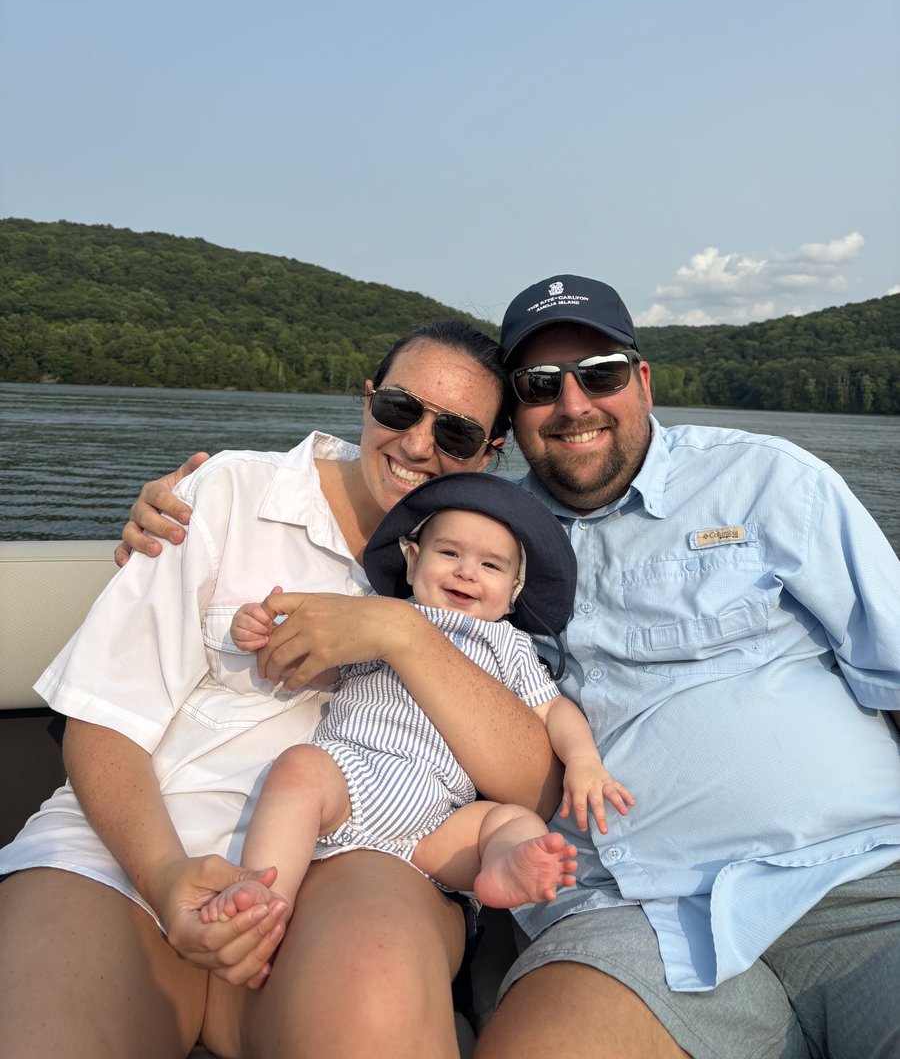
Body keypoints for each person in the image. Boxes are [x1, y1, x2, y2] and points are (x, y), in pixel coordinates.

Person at [120, 275, 900, 1059]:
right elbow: (345, 512)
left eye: (600, 373)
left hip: (855, 881)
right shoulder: (487, 528)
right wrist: (181, 514)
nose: (573, 404)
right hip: (629, 919)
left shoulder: (769, 483)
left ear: (643, 379)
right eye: (538, 386)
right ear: (511, 425)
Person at [0, 320, 566, 1059]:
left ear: (491, 453)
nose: (419, 444)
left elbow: (533, 788)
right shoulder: (229, 492)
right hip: (130, 849)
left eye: (457, 433)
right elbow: (105, 717)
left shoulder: (484, 568)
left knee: (374, 1007)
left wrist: (403, 632)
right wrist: (168, 877)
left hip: (363, 853)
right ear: (368, 402)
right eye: (400, 409)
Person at [201, 472, 634, 926]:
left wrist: (584, 760)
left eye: (491, 566)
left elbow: (553, 709)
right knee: (298, 768)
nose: (466, 571)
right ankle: (263, 894)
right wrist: (267, 634)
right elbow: (320, 665)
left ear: (513, 594)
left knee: (508, 822)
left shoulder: (508, 645)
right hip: (351, 774)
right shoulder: (377, 615)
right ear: (412, 562)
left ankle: (505, 865)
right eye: (448, 553)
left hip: (439, 817)